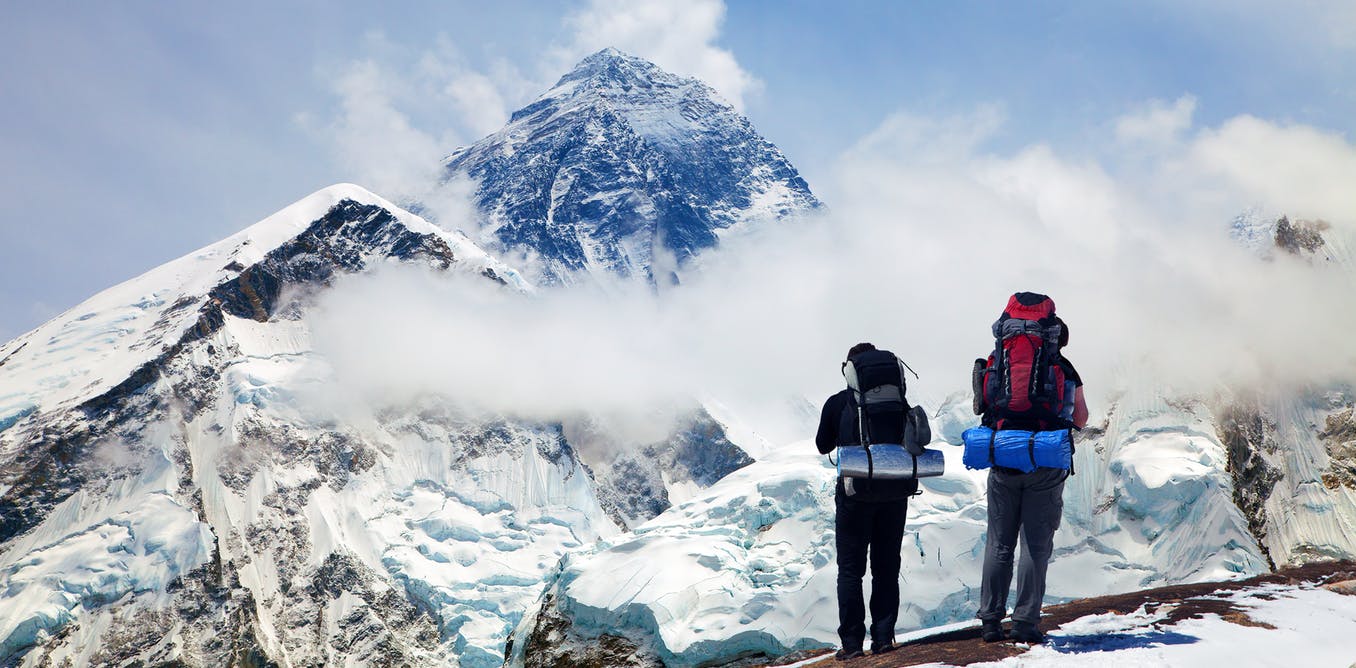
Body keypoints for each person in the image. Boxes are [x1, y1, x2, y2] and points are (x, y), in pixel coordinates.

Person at [973, 292, 1088, 644]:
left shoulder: (996, 361)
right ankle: (1024, 622)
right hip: (1045, 461)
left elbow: (982, 405)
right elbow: (1081, 418)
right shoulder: (1064, 368)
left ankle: (991, 621)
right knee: (1035, 546)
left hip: (1004, 458)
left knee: (998, 543)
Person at [815, 342, 919, 659]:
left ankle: (851, 645)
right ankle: (884, 638)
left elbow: (822, 445)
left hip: (854, 494)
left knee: (850, 571)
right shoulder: (898, 402)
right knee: (886, 567)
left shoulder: (837, 403)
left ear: (850, 369)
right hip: (894, 493)